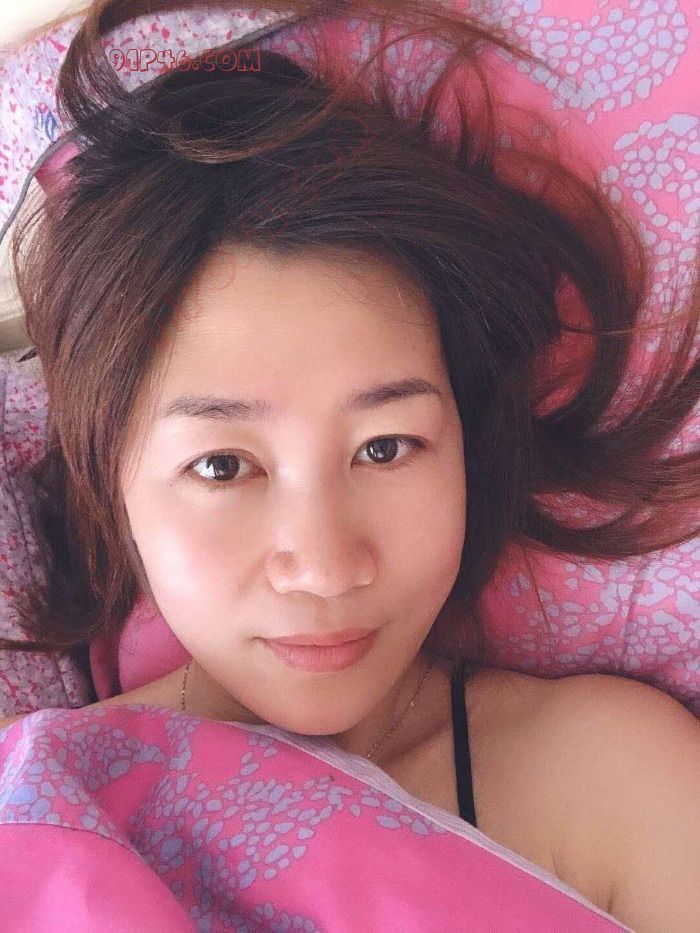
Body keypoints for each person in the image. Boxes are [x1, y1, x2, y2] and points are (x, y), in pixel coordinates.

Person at [0, 1, 698, 929]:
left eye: (385, 446)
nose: (327, 566)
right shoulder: (45, 802)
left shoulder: (612, 782)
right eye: (223, 465)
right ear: (112, 481)